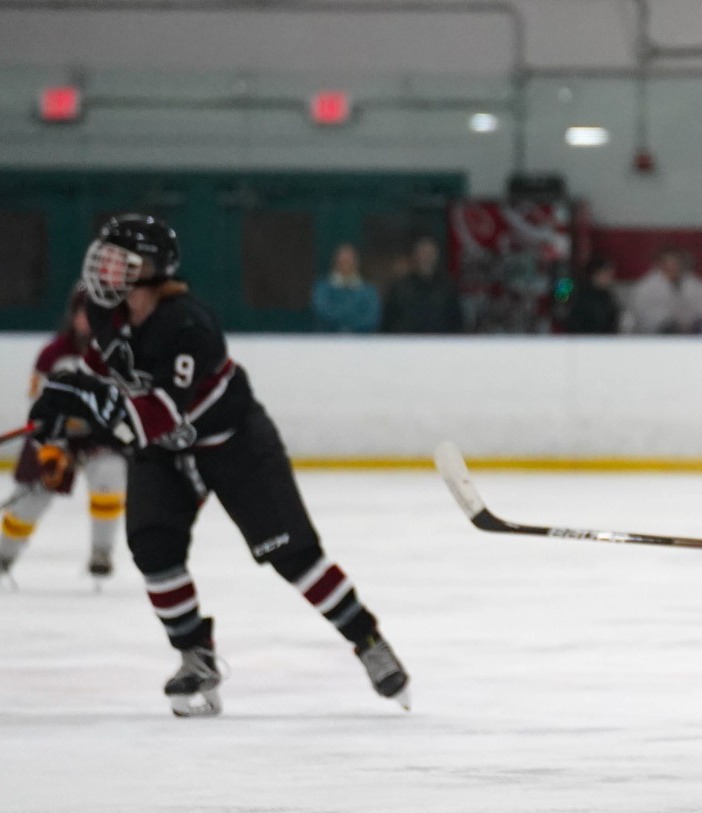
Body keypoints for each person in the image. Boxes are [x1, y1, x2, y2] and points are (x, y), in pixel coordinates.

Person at [27, 214, 410, 717]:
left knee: (293, 555)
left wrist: (82, 400)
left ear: (152, 269)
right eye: (105, 256)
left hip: (235, 445)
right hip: (166, 451)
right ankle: (195, 658)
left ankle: (368, 640)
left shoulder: (186, 323)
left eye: (119, 259)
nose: (105, 268)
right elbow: (110, 384)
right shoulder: (105, 313)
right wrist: (66, 415)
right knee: (154, 549)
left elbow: (153, 419)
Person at [2, 289, 127, 583]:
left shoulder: (121, 353)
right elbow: (38, 409)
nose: (87, 319)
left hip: (101, 440)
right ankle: (3, 554)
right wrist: (51, 451)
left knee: (109, 476)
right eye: (82, 312)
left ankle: (101, 553)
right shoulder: (53, 354)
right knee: (31, 496)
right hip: (56, 437)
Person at [624, 248, 702, 335]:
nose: (673, 266)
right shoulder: (644, 288)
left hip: (693, 338)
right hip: (657, 339)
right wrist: (672, 323)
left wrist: (690, 323)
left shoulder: (695, 285)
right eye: (668, 262)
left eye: (676, 262)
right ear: (659, 264)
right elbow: (644, 317)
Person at [379, 236, 464, 334]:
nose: (426, 257)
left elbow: (457, 322)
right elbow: (387, 323)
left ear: (436, 256)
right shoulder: (399, 288)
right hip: (406, 344)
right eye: (422, 253)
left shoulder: (447, 288)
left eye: (429, 253)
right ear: (415, 256)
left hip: (440, 344)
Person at [310, 242, 381, 333]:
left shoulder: (369, 291)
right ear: (335, 262)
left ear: (356, 263)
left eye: (349, 261)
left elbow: (371, 318)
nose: (346, 264)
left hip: (361, 343)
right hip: (327, 342)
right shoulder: (322, 288)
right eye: (342, 261)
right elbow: (322, 313)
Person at [563, 257, 624, 335]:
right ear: (595, 274)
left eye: (610, 275)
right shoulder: (580, 296)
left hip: (604, 342)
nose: (609, 279)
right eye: (606, 274)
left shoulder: (608, 297)